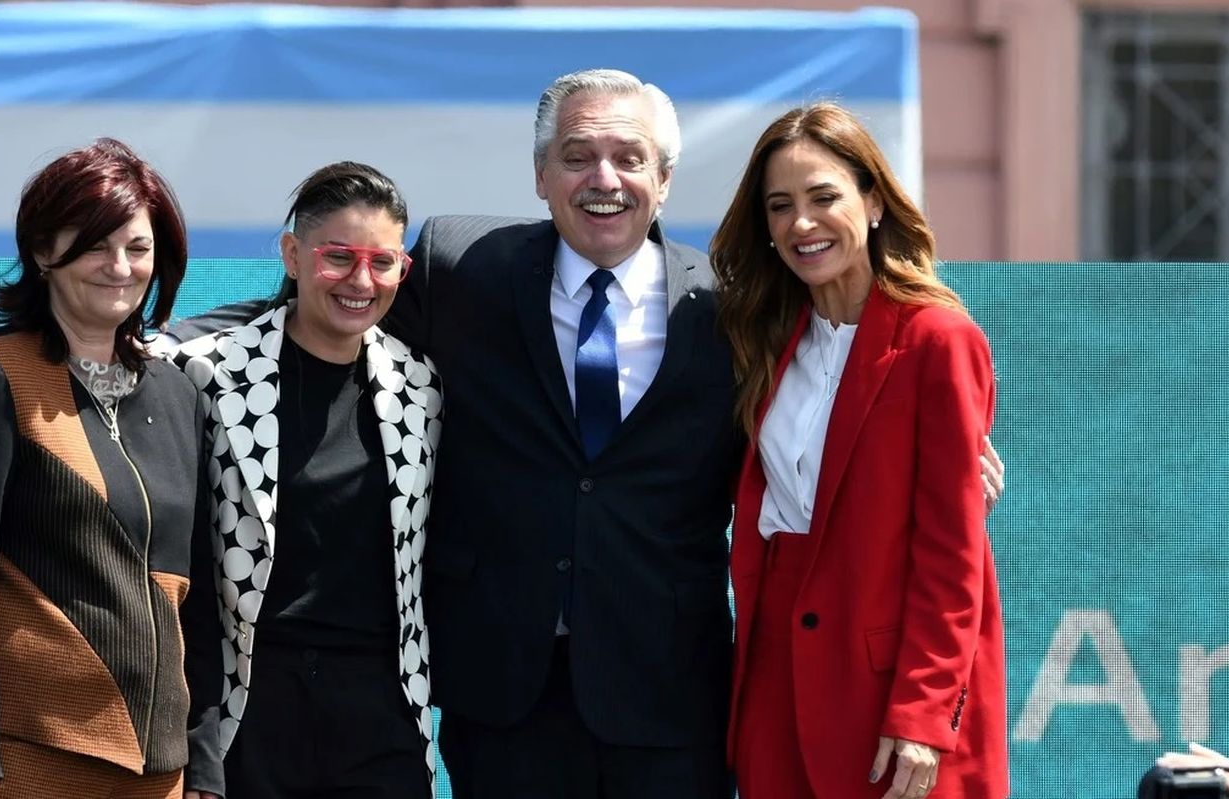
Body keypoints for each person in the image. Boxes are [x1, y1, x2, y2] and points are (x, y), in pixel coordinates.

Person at [167, 69, 1003, 799]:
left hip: (671, 694)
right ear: (540, 175)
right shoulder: (463, 266)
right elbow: (325, 314)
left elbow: (830, 426)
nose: (604, 178)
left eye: (629, 158)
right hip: (503, 695)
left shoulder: (735, 306)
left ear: (666, 179)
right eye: (577, 156)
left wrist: (949, 467)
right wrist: (150, 345)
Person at [0, 138, 223, 799]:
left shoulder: (179, 392)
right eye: (94, 244)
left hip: (156, 768)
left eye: (138, 247)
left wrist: (204, 764)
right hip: (21, 754)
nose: (119, 266)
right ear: (44, 251)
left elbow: (203, 599)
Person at [709, 102, 1009, 799]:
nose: (801, 224)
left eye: (824, 197)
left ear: (873, 200)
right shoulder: (765, 338)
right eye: (780, 206)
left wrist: (926, 713)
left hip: (887, 695)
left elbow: (951, 554)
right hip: (773, 681)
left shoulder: (938, 338)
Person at [161, 162, 441, 798]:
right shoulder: (206, 373)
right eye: (337, 257)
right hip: (250, 707)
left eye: (382, 261)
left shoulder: (420, 387)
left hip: (382, 713)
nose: (360, 281)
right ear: (292, 253)